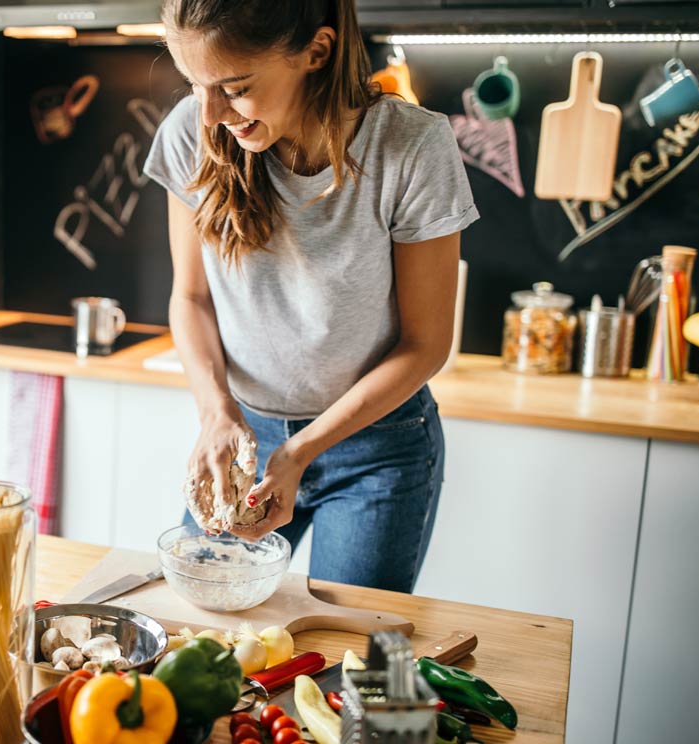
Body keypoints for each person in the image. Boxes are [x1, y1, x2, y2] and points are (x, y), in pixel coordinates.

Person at [143, 0, 478, 592]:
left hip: (377, 449)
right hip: (247, 436)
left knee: (342, 657)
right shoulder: (191, 134)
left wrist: (302, 451)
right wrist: (215, 411)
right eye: (195, 86)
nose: (212, 113)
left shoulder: (412, 147)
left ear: (316, 52)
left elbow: (426, 345)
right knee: (201, 631)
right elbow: (190, 298)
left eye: (235, 87)